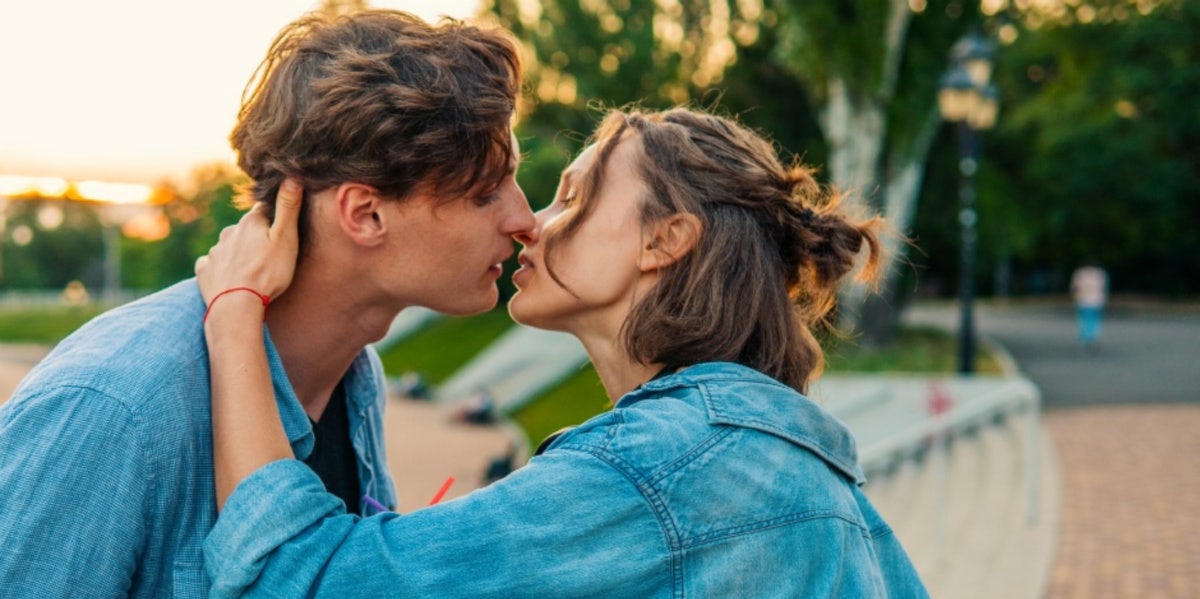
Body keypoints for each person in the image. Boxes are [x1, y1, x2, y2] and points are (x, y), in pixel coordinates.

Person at [197, 107, 929, 597]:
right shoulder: (804, 477)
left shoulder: (659, 469)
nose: (529, 224)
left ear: (664, 240)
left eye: (573, 197)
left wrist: (235, 314)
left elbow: (290, 576)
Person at [0, 10, 527, 597]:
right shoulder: (115, 408)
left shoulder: (358, 377)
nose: (524, 220)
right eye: (486, 194)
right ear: (365, 214)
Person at [1070, 262, 1109, 349]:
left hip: (1083, 300)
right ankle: (1093, 337)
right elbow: (1103, 288)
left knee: (1084, 319)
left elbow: (1075, 287)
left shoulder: (1080, 273)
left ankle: (1086, 337)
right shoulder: (1099, 274)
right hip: (1096, 301)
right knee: (1094, 320)